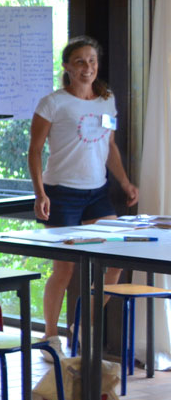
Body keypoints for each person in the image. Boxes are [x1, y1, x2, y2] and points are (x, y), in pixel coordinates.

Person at [29, 36, 138, 361]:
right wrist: (40, 194)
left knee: (116, 260)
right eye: (80, 61)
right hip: (62, 193)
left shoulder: (106, 101)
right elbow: (34, 151)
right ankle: (50, 336)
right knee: (64, 270)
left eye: (92, 61)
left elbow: (110, 147)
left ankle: (81, 324)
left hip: (97, 193)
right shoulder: (53, 102)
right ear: (67, 67)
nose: (87, 67)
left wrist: (125, 182)